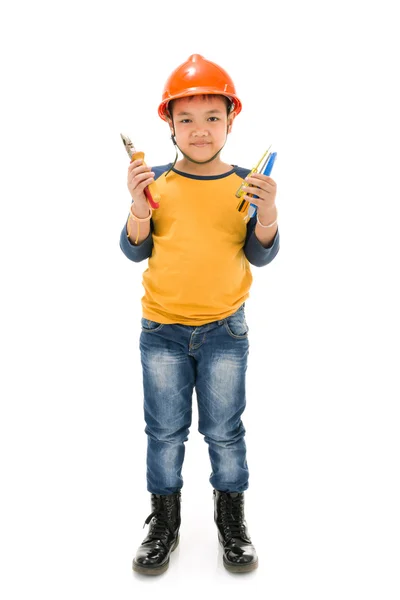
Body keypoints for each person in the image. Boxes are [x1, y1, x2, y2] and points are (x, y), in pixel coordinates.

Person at [119, 54, 280, 575]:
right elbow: (134, 249)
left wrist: (269, 215)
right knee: (164, 431)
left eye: (213, 117)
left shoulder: (245, 186)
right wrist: (138, 209)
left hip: (224, 333)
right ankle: (163, 521)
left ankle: (230, 517)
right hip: (162, 331)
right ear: (168, 124)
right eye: (186, 119)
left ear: (231, 120)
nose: (200, 130)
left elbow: (260, 253)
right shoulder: (157, 186)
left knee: (225, 431)